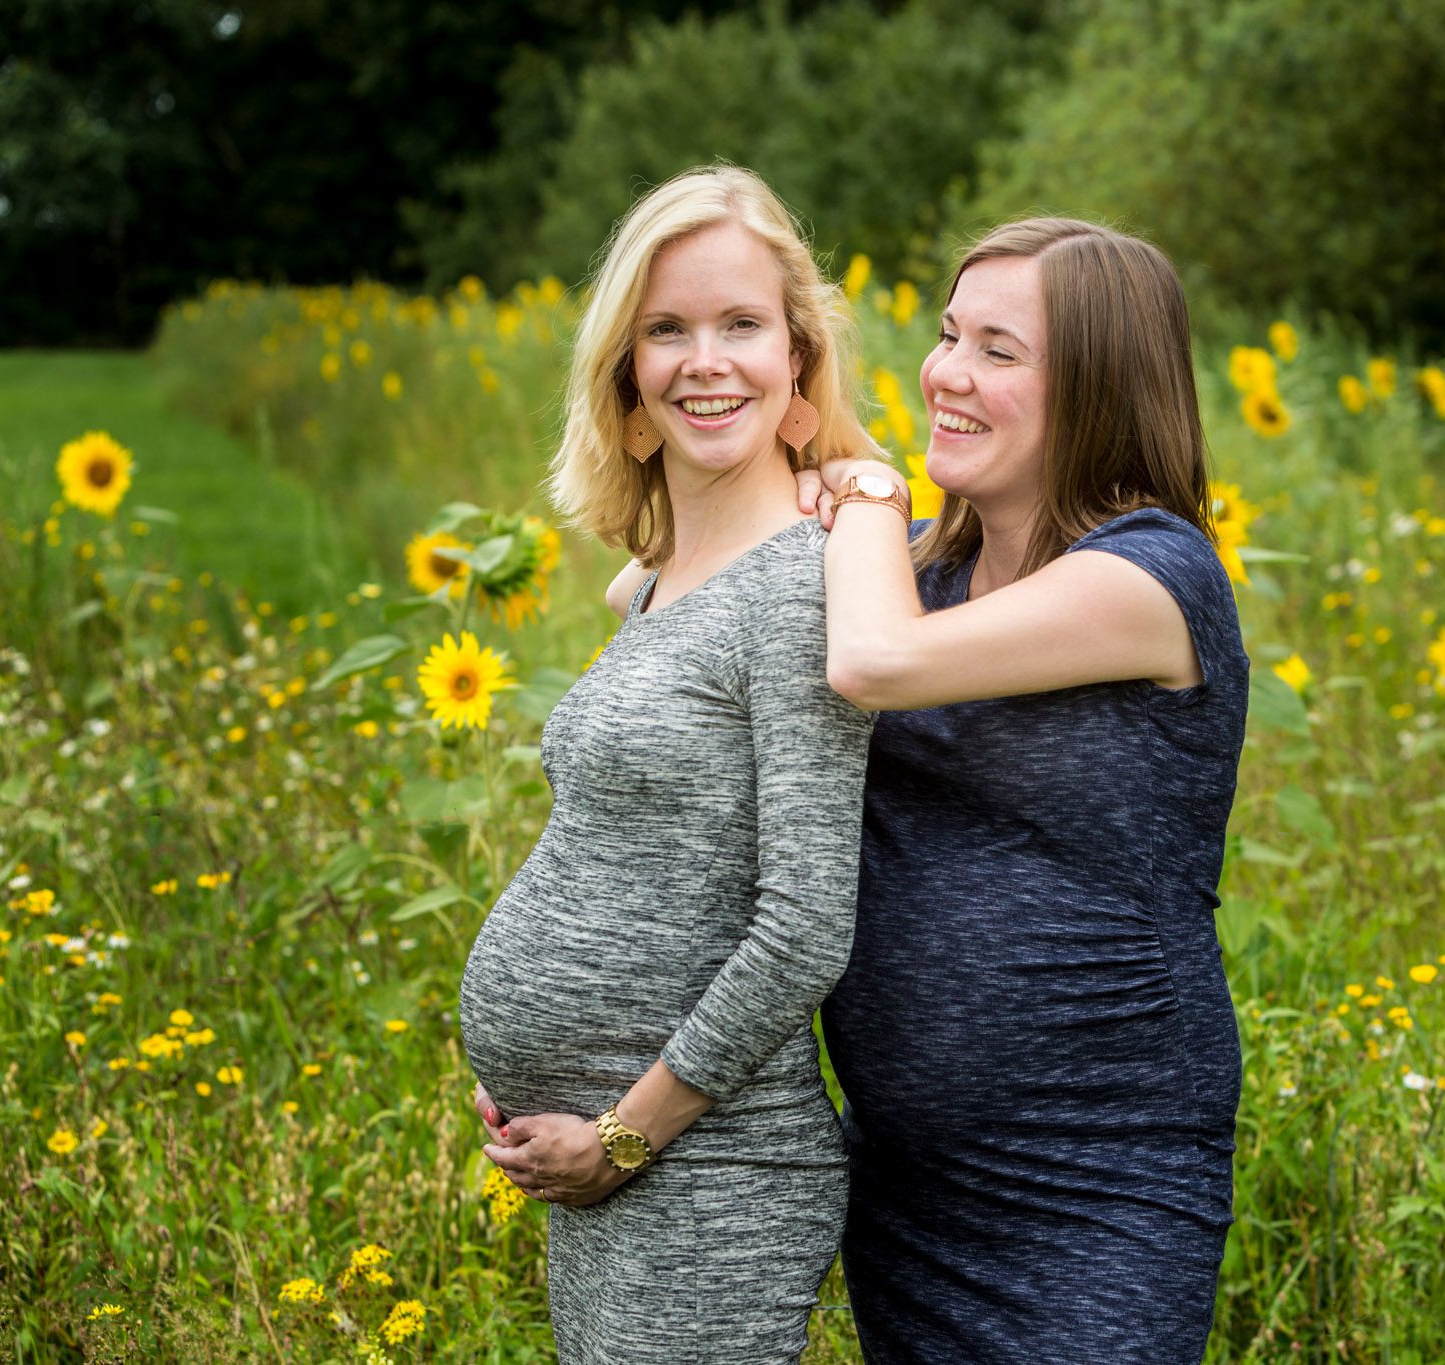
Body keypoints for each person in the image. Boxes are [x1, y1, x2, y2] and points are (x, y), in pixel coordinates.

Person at [796, 218, 1250, 1362]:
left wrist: (853, 502)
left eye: (999, 351)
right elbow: (644, 586)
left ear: (1098, 385)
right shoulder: (912, 571)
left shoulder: (1153, 577)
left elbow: (873, 668)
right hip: (908, 1181)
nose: (945, 374)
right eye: (949, 336)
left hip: (1099, 1176)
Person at [456, 164, 878, 1363]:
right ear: (626, 373)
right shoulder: (653, 585)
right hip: (604, 1164)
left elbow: (804, 922)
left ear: (796, 361)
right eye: (667, 329)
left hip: (708, 1170)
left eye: (741, 325)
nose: (705, 360)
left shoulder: (805, 584)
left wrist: (623, 1134)